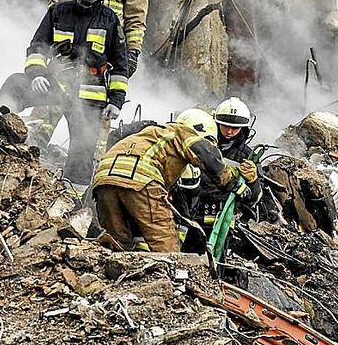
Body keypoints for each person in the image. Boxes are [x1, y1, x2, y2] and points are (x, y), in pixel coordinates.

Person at [0, 0, 129, 191]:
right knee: (15, 84)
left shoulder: (110, 20)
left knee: (83, 154)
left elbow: (120, 64)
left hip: (90, 98)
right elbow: (37, 46)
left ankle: (73, 198)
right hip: (56, 86)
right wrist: (36, 74)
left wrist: (116, 101)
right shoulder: (58, 12)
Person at [30, 0, 149, 149]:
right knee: (41, 122)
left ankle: (86, 174)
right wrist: (57, 40)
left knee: (92, 139)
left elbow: (136, 22)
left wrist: (131, 54)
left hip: (101, 65)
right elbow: (56, 4)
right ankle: (28, 158)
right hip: (64, 62)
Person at [92, 109, 245, 252]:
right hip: (140, 178)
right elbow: (207, 155)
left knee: (118, 242)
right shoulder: (183, 133)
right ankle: (172, 278)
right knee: (165, 244)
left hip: (103, 179)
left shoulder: (150, 135)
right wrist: (232, 183)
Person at [182, 97, 261, 253]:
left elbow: (254, 199)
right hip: (188, 217)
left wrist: (253, 181)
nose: (229, 131)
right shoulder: (201, 144)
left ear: (243, 129)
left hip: (221, 224)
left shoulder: (246, 156)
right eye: (225, 126)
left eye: (235, 128)